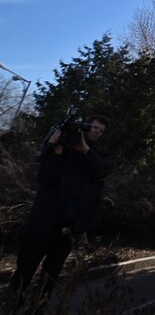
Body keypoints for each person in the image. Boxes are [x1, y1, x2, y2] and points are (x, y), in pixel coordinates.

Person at [7, 114, 112, 305]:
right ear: (84, 127)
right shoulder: (60, 148)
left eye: (101, 130)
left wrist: (86, 150)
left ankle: (39, 307)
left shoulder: (98, 154)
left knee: (51, 275)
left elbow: (102, 169)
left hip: (67, 229)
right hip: (42, 223)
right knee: (24, 270)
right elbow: (45, 178)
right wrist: (55, 149)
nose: (96, 131)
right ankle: (13, 305)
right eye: (94, 127)